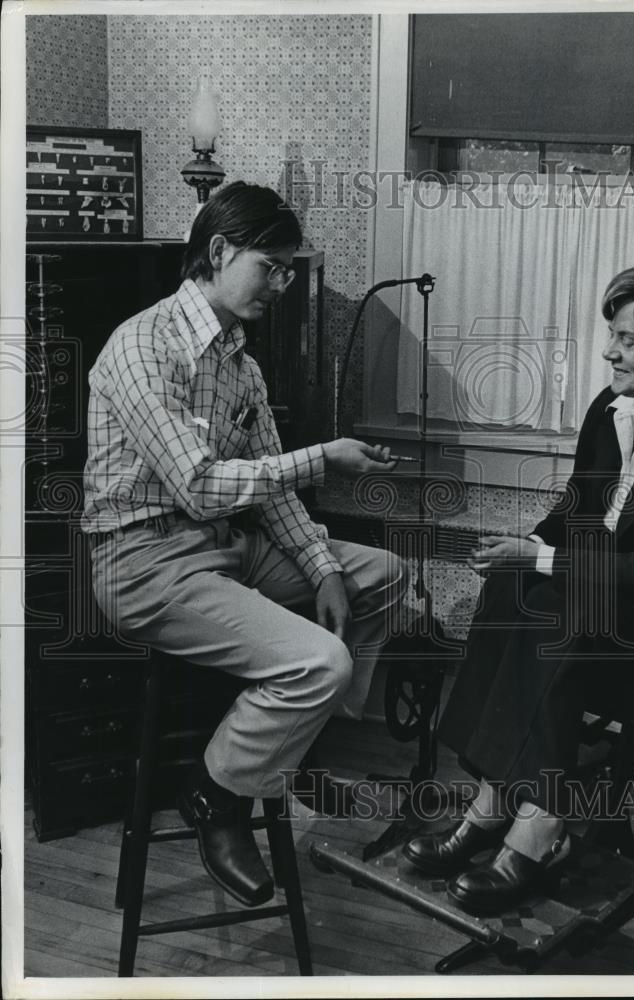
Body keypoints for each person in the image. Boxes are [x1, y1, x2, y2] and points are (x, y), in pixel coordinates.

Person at [83, 181, 407, 908]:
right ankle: (217, 798)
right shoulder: (142, 348)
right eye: (274, 266)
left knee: (381, 575)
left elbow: (269, 489)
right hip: (146, 563)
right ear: (220, 251)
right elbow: (200, 485)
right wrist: (324, 456)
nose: (284, 285)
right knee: (322, 659)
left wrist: (323, 565)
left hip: (223, 546)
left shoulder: (241, 364)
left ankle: (298, 747)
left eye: (291, 269)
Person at [403, 258, 634, 915]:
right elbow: (578, 508)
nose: (608, 350)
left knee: (549, 606)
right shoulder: (612, 409)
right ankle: (498, 801)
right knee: (516, 593)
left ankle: (536, 823)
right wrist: (527, 551)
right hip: (600, 604)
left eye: (626, 339)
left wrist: (539, 560)